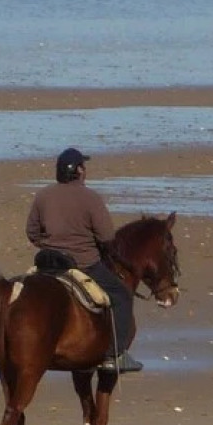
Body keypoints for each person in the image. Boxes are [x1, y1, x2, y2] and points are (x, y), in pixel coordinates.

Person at [25, 148, 142, 372]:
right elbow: (107, 236)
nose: (85, 170)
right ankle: (114, 355)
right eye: (83, 166)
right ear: (78, 171)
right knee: (122, 295)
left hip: (47, 264)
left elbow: (31, 231)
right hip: (83, 264)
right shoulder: (90, 197)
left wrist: (49, 243)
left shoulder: (43, 195)